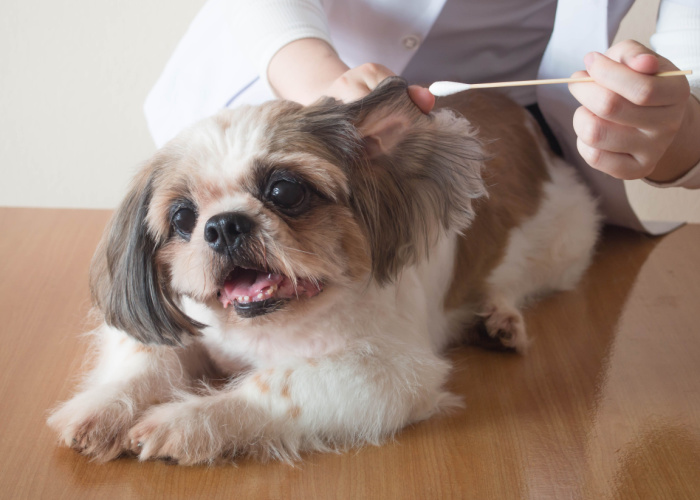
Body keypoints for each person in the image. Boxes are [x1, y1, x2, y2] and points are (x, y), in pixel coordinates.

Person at [145, 0, 700, 233]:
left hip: (502, 163)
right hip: (272, 95)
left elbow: (692, 92)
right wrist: (322, 88)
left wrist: (671, 135)